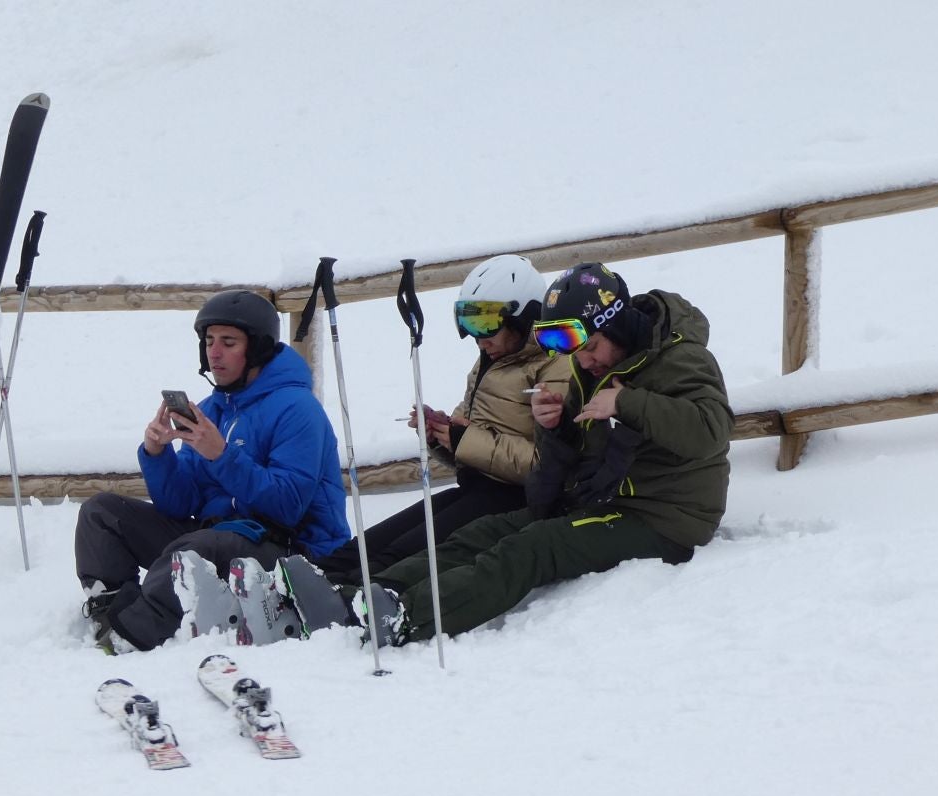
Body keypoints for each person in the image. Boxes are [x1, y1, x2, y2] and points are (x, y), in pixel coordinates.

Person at [359, 261, 731, 645]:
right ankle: (373, 594)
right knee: (485, 531)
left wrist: (627, 402)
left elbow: (712, 431)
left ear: (615, 324)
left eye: (590, 348)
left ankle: (408, 618)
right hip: (600, 498)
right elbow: (572, 457)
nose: (584, 362)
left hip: (665, 517)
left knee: (533, 548)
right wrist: (553, 427)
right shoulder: (595, 368)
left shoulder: (681, 359)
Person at [73, 289, 350, 652]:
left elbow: (287, 506)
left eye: (228, 342)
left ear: (258, 349)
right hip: (220, 535)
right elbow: (179, 504)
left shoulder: (298, 410)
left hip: (290, 549)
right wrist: (158, 454)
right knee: (102, 513)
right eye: (209, 341)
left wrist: (220, 456)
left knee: (194, 549)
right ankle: (110, 609)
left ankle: (133, 634)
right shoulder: (213, 409)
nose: (214, 352)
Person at [314, 254, 566, 581]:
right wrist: (441, 435)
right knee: (364, 547)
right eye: (467, 322)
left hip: (513, 503)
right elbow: (471, 444)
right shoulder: (491, 359)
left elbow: (548, 465)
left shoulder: (553, 367)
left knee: (398, 555)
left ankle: (337, 607)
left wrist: (463, 439)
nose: (478, 336)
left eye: (486, 322)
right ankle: (298, 585)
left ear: (524, 317)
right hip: (475, 489)